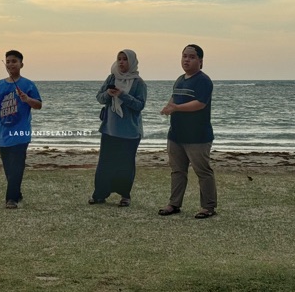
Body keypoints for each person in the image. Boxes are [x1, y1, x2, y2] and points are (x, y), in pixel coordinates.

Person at [158, 44, 217, 219]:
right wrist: (169, 106)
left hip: (197, 136)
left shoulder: (203, 80)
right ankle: (174, 204)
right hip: (176, 134)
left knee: (203, 172)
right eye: (184, 56)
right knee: (177, 170)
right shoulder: (180, 79)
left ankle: (208, 207)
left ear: (200, 61)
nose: (187, 60)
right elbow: (174, 97)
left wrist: (176, 107)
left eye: (191, 57)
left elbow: (200, 104)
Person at [0, 50, 43, 209]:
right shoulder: (0, 85)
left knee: (17, 165)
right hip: (3, 133)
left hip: (21, 132)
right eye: (8, 61)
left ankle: (11, 199)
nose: (11, 64)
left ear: (21, 64)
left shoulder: (28, 84)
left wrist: (27, 99)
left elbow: (38, 105)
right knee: (8, 167)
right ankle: (16, 192)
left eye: (14, 61)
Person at [90, 49, 147, 207]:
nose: (121, 62)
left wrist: (122, 95)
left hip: (130, 132)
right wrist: (109, 93)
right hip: (109, 129)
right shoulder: (112, 77)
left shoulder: (138, 82)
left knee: (126, 165)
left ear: (132, 62)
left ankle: (125, 196)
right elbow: (99, 98)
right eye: (119, 59)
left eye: (125, 59)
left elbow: (139, 105)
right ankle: (99, 194)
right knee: (105, 163)